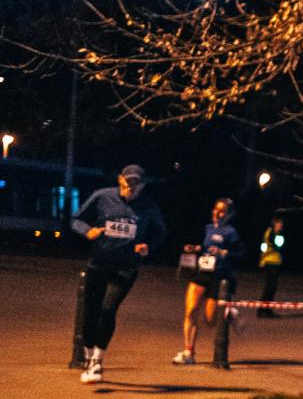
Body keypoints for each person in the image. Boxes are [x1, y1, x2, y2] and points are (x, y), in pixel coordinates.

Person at [71, 164, 166, 384]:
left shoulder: (149, 206)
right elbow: (76, 219)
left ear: (142, 185)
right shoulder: (102, 197)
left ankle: (97, 360)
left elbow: (161, 231)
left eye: (136, 183)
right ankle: (88, 355)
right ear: (120, 180)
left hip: (126, 267)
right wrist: (87, 231)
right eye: (128, 182)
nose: (131, 187)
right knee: (90, 312)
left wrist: (148, 246)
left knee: (108, 310)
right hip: (98, 263)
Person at [173, 198, 244, 364]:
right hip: (201, 273)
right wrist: (195, 248)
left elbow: (242, 254)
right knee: (190, 311)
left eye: (221, 211)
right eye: (215, 209)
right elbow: (205, 247)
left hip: (218, 276)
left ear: (228, 214)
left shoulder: (231, 232)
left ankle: (229, 313)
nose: (216, 213)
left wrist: (224, 253)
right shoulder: (208, 228)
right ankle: (188, 352)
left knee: (210, 320)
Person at [256, 217, 285, 317]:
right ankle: (261, 310)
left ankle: (268, 310)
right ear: (274, 224)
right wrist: (278, 236)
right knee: (269, 286)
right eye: (278, 224)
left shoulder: (277, 234)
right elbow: (275, 244)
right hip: (269, 262)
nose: (280, 226)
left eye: (281, 225)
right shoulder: (270, 232)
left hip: (275, 262)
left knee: (273, 287)